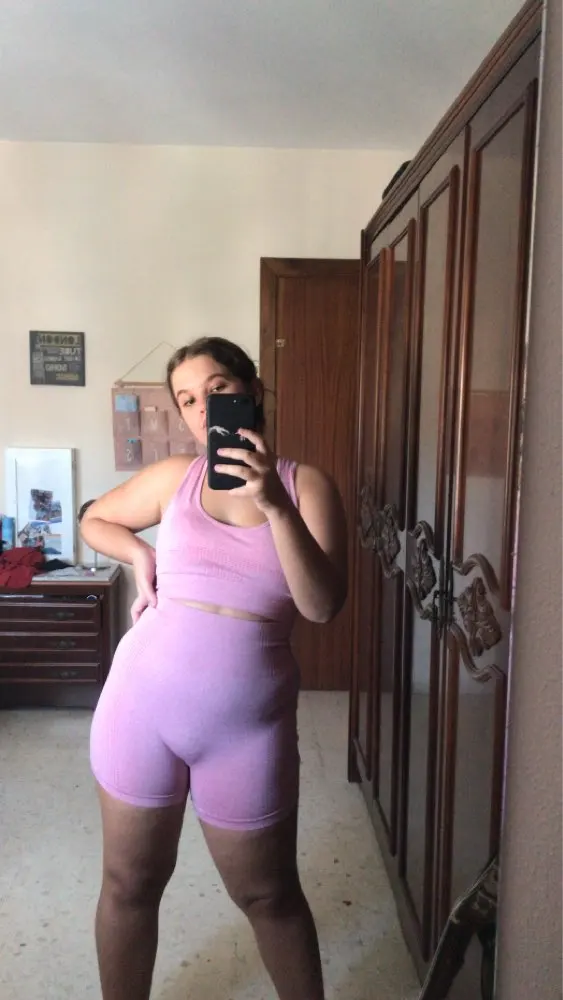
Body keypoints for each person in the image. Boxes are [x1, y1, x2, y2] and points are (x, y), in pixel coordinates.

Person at [80, 336, 348, 1000]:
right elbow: (94, 519)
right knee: (129, 884)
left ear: (252, 390)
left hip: (245, 731)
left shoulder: (306, 485)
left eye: (218, 389)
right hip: (140, 709)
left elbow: (320, 606)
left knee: (270, 896)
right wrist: (139, 556)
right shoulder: (176, 477)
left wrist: (275, 505)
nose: (204, 408)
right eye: (188, 399)